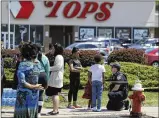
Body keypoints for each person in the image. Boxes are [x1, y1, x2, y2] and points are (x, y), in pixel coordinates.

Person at [14, 43, 44, 118]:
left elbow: (22, 82)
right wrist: (35, 86)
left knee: (22, 114)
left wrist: (33, 86)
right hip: (34, 94)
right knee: (32, 113)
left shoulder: (23, 65)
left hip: (23, 95)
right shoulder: (38, 64)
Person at [46, 43, 64, 115]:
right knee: (54, 94)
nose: (52, 50)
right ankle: (55, 109)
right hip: (56, 77)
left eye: (53, 48)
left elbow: (58, 67)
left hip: (56, 78)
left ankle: (55, 111)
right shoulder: (58, 56)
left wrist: (48, 68)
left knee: (55, 94)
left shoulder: (58, 57)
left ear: (56, 49)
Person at [35, 43, 50, 117]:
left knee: (33, 93)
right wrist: (47, 81)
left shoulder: (32, 57)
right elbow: (48, 70)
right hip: (43, 76)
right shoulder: (45, 57)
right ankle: (38, 112)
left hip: (35, 76)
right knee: (40, 94)